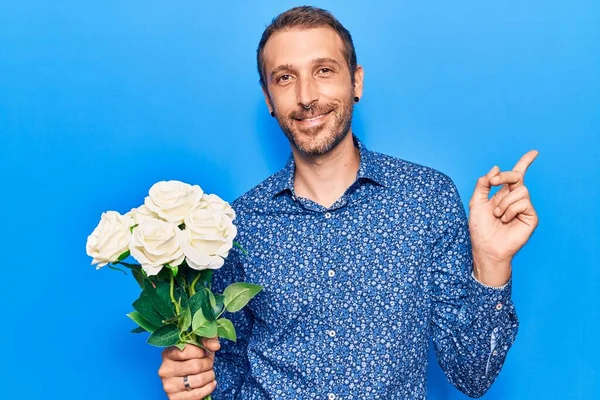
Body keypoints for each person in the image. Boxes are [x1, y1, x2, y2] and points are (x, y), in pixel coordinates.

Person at [157, 6, 538, 399]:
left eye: (323, 70)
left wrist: (492, 265)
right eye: (285, 77)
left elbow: (473, 375)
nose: (306, 96)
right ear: (268, 97)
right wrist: (192, 378)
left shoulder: (427, 199)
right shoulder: (236, 224)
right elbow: (226, 368)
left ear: (356, 81)